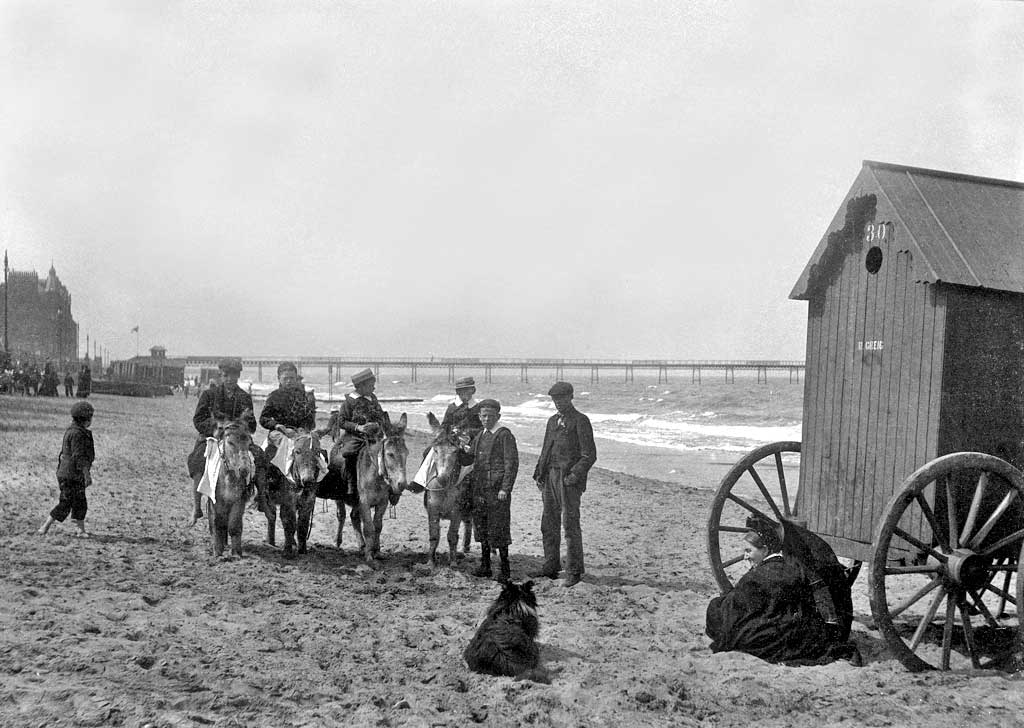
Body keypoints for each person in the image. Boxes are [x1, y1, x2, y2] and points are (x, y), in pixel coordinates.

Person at [705, 519, 837, 663]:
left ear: (766, 550)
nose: (745, 556)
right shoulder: (788, 566)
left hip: (776, 629)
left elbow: (738, 607)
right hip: (793, 626)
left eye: (749, 551)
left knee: (718, 612)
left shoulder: (760, 575)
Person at [532, 382, 597, 587]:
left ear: (571, 397)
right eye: (555, 400)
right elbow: (545, 449)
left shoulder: (580, 421)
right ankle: (551, 565)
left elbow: (589, 455)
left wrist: (575, 475)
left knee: (570, 524)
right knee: (548, 523)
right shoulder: (552, 421)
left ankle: (574, 570)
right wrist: (539, 474)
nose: (558, 403)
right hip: (550, 476)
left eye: (562, 398)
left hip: (568, 480)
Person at [187, 358, 260, 526]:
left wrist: (242, 425)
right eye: (226, 375)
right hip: (213, 437)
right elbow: (198, 419)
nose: (229, 379)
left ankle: (260, 497)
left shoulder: (244, 397)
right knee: (198, 460)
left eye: (233, 376)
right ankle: (196, 507)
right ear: (221, 375)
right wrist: (214, 427)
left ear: (238, 376)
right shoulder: (209, 395)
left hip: (237, 440)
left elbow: (253, 425)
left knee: (259, 459)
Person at [459, 399, 518, 581]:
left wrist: (505, 489)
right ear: (479, 416)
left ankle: (505, 569)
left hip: (496, 491)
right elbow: (470, 457)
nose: (486, 419)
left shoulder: (504, 435)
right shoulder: (482, 435)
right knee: (482, 527)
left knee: (499, 528)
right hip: (480, 489)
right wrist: (461, 447)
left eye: (490, 416)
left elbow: (511, 464)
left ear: (498, 416)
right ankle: (485, 566)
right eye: (483, 416)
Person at [411, 376, 482, 491]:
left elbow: (481, 428)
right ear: (457, 392)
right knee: (428, 452)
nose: (464, 393)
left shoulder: (477, 408)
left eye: (467, 390)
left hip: (469, 441)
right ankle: (420, 481)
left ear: (473, 391)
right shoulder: (452, 407)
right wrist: (446, 433)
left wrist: (466, 433)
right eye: (462, 391)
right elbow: (444, 425)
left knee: (474, 461)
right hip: (450, 441)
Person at [38, 401, 96, 537]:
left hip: (67, 473)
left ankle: (80, 530)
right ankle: (45, 526)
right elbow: (79, 457)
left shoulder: (72, 430)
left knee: (79, 501)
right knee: (67, 502)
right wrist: (86, 474)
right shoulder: (78, 434)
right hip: (72, 474)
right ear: (85, 419)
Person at [336, 368, 388, 498]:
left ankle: (389, 485)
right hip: (355, 436)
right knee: (349, 453)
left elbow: (381, 416)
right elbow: (341, 421)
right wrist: (358, 427)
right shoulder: (349, 401)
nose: (373, 388)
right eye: (371, 385)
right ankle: (351, 483)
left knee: (390, 452)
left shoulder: (373, 399)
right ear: (361, 386)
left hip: (375, 436)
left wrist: (377, 424)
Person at [258, 361, 318, 463]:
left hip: (299, 432)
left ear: (296, 378)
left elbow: (310, 420)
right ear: (279, 379)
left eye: (292, 378)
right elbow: (263, 419)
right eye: (285, 378)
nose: (289, 381)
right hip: (279, 432)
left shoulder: (303, 396)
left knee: (314, 447)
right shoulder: (274, 396)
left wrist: (303, 428)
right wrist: (277, 426)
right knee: (283, 445)